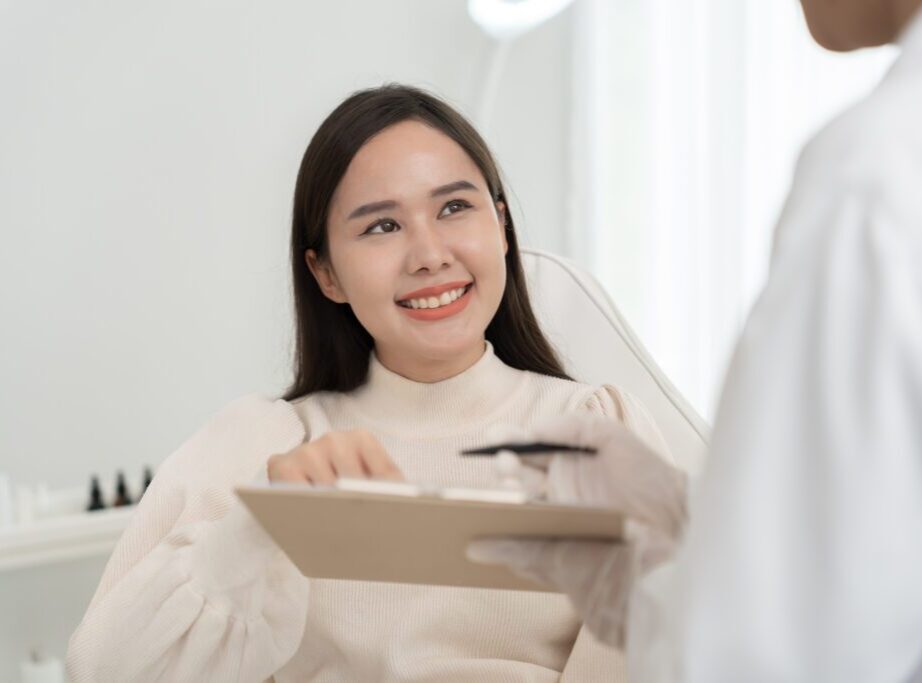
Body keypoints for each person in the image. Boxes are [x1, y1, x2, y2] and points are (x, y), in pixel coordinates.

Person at [65, 84, 677, 682]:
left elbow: (665, 657)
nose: (429, 254)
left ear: (502, 225)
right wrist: (259, 528)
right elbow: (100, 672)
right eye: (381, 226)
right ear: (325, 272)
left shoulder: (599, 434)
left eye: (454, 208)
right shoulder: (266, 445)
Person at [468, 0, 922, 679]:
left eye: (454, 207)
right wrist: (710, 525)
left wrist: (656, 583)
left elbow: (775, 656)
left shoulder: (886, 179)